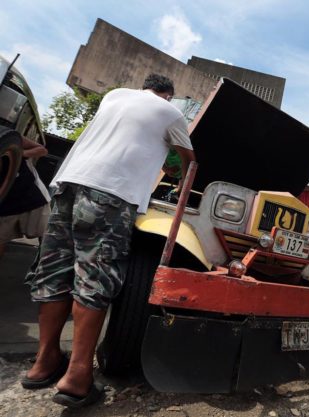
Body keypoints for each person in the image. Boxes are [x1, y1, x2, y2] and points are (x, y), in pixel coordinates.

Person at [23, 74, 196, 408]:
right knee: (95, 277)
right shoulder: (170, 113)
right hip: (111, 194)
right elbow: (188, 162)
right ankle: (77, 376)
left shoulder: (114, 94)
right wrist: (175, 169)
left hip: (67, 185)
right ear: (168, 95)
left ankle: (43, 362)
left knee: (55, 270)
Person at [0, 136, 50, 260]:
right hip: (5, 203)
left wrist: (19, 153)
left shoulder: (6, 135)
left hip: (33, 197)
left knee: (49, 238)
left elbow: (42, 150)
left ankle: (47, 272)